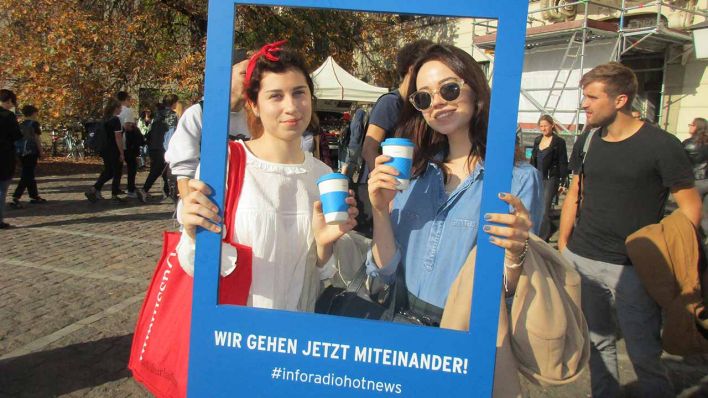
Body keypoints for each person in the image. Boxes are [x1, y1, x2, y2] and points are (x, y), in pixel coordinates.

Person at [366, 43, 543, 326]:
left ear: (474, 89)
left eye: (449, 89)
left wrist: (516, 252)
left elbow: (510, 293)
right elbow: (385, 273)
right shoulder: (413, 173)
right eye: (424, 98)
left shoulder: (517, 179)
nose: (436, 102)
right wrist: (379, 210)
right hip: (400, 327)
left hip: (464, 334)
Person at [176, 42, 357, 310]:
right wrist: (192, 233)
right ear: (254, 105)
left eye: (299, 93)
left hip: (294, 334)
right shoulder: (224, 163)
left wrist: (325, 246)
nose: (292, 107)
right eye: (275, 96)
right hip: (236, 331)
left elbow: (322, 277)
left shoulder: (324, 177)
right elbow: (194, 263)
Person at [558, 62, 702, 398]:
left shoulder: (662, 145)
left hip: (634, 271)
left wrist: (666, 256)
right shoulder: (589, 139)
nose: (584, 104)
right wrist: (564, 245)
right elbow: (574, 194)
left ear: (620, 100)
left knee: (643, 354)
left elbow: (691, 207)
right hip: (583, 258)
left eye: (592, 97)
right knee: (597, 345)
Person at [357, 39, 434, 237]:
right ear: (412, 69)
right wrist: (384, 188)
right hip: (379, 190)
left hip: (401, 189)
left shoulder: (417, 106)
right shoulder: (390, 103)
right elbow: (369, 148)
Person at [166, 48, 252, 201]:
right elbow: (184, 171)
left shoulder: (254, 117)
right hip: (206, 203)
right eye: (245, 73)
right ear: (227, 76)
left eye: (256, 75)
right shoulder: (199, 113)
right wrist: (192, 209)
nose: (251, 80)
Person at [529, 114, 568, 241]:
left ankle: (542, 237)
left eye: (546, 126)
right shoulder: (537, 140)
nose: (543, 128)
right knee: (535, 206)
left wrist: (563, 181)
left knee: (545, 208)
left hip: (551, 178)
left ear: (552, 126)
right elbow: (533, 160)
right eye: (541, 126)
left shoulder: (559, 142)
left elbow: (563, 162)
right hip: (537, 177)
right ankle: (536, 231)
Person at [136, 96, 178, 202]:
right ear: (173, 103)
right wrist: (170, 150)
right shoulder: (172, 115)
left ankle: (167, 192)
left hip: (153, 146)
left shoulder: (158, 114)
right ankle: (145, 190)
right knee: (157, 170)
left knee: (161, 170)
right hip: (162, 147)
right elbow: (170, 134)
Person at [85, 99, 126, 203]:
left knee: (108, 171)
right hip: (113, 148)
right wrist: (121, 152)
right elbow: (118, 137)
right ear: (116, 108)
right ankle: (114, 194)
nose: (121, 109)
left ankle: (95, 189)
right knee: (117, 171)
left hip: (104, 148)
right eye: (120, 107)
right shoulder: (116, 120)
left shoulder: (105, 119)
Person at [11, 105, 46, 207]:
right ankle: (16, 196)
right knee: (27, 174)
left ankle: (34, 195)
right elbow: (36, 139)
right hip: (31, 151)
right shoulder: (34, 124)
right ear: (33, 113)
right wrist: (41, 152)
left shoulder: (21, 124)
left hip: (21, 152)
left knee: (29, 173)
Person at [683, 117, 708, 241]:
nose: (689, 127)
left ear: (696, 127)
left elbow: (680, 163)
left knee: (690, 211)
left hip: (695, 181)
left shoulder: (688, 143)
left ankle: (691, 239)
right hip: (706, 180)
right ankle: (703, 239)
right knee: (705, 214)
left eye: (691, 124)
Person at [0, 89, 22, 229]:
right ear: (8, 101)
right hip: (4, 155)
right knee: (2, 188)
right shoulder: (8, 116)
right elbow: (17, 135)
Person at [116, 91, 143, 199]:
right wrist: (135, 128)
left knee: (117, 167)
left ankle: (116, 188)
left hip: (116, 142)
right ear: (126, 99)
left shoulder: (114, 110)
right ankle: (130, 188)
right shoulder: (128, 110)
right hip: (127, 141)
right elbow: (128, 126)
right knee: (132, 166)